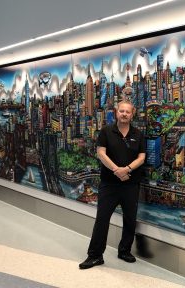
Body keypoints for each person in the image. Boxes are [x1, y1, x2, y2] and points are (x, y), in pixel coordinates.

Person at [79, 100, 146, 269]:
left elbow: (142, 157)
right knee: (102, 219)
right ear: (116, 112)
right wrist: (117, 170)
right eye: (121, 111)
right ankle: (95, 255)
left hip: (131, 185)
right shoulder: (106, 131)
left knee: (130, 219)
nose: (124, 114)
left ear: (132, 114)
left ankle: (124, 251)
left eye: (127, 112)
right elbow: (101, 153)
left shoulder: (138, 134)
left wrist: (127, 169)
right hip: (109, 184)